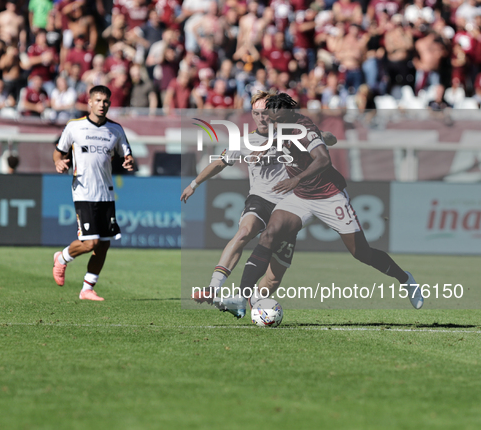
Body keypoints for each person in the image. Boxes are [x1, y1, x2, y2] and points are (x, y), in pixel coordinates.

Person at [218, 93, 424, 318]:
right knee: (269, 234)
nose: (271, 121)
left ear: (288, 113)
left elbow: (324, 159)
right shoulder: (280, 126)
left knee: (362, 253)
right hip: (301, 197)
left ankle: (406, 279)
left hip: (329, 196)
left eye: (275, 116)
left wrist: (296, 177)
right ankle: (241, 297)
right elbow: (285, 141)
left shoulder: (302, 127)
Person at [181, 91, 338, 304]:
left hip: (289, 205)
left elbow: (331, 139)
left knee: (273, 279)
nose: (261, 118)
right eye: (256, 113)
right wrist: (194, 184)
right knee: (244, 232)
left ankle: (249, 303)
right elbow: (219, 162)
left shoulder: (293, 132)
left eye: (265, 113)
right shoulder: (246, 141)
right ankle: (213, 288)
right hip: (260, 198)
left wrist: (316, 135)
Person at [52, 85, 134, 301]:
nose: (102, 105)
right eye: (98, 100)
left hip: (106, 193)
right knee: (90, 243)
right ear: (89, 102)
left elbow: (126, 154)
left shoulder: (115, 130)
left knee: (104, 244)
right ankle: (62, 258)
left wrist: (128, 161)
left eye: (106, 101)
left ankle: (87, 288)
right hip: (83, 191)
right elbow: (58, 152)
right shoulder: (74, 127)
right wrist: (59, 162)